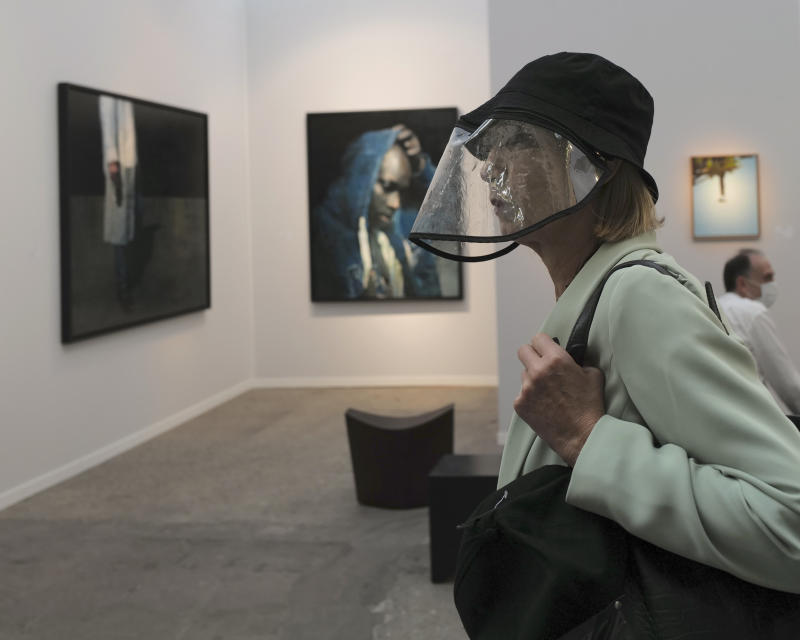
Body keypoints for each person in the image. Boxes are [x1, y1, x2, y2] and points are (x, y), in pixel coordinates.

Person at [410, 51, 800, 594]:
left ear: (600, 169)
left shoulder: (640, 297)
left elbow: (792, 520)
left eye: (520, 142)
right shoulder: (595, 293)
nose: (491, 165)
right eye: (489, 148)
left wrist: (587, 438)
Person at [311, 125, 442, 299]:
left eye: (401, 192)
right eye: (387, 187)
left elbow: (451, 210)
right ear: (362, 177)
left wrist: (421, 165)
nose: (395, 204)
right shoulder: (325, 230)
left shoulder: (399, 228)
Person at [718, 249, 800, 414]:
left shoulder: (714, 307)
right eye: (767, 278)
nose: (773, 284)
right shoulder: (753, 312)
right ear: (742, 284)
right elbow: (789, 386)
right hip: (752, 416)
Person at [99, 94, 139, 308]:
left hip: (130, 160)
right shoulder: (107, 94)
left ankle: (126, 284)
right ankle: (122, 289)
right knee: (119, 229)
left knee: (127, 227)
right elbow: (107, 121)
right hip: (118, 164)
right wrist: (112, 161)